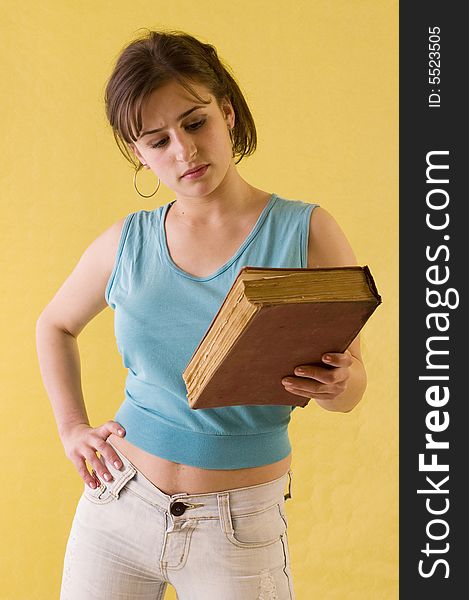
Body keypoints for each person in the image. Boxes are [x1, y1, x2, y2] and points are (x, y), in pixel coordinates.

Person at [36, 28, 367, 600]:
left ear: (229, 114)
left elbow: (352, 386)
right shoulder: (127, 242)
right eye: (156, 140)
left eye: (195, 123)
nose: (184, 152)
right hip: (117, 506)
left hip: (239, 530)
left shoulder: (306, 231)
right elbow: (55, 325)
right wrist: (72, 428)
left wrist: (338, 383)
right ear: (137, 153)